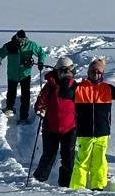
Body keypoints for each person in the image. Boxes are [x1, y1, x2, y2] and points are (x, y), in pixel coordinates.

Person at [70, 56, 115, 191]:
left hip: (102, 132)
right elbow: (65, 94)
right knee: (81, 162)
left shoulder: (107, 88)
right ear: (88, 72)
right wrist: (68, 78)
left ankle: (98, 187)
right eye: (92, 72)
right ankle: (77, 188)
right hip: (84, 133)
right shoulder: (79, 88)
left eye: (98, 72)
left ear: (102, 74)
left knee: (100, 162)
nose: (95, 74)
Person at [31, 58, 79, 187]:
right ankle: (38, 181)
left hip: (70, 128)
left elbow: (81, 105)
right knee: (49, 155)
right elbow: (39, 104)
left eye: (68, 71)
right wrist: (40, 110)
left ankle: (65, 185)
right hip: (51, 128)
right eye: (62, 71)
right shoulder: (50, 86)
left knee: (68, 158)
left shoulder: (75, 86)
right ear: (57, 71)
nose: (65, 74)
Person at [0, 30, 48, 123]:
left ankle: (24, 116)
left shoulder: (31, 45)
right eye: (19, 39)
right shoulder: (9, 45)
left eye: (23, 39)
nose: (21, 41)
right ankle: (9, 108)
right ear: (16, 37)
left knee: (25, 96)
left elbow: (41, 53)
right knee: (11, 93)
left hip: (25, 74)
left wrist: (41, 62)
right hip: (12, 74)